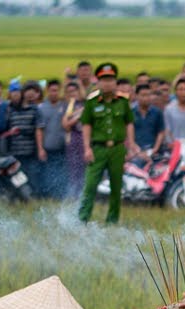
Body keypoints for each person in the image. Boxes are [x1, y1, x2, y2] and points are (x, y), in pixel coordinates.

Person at [78, 62, 135, 224]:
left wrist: (130, 144)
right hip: (98, 149)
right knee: (90, 185)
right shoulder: (92, 102)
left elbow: (129, 122)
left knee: (116, 187)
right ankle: (82, 219)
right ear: (98, 82)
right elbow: (86, 125)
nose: (108, 83)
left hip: (117, 149)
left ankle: (112, 221)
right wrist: (87, 148)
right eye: (104, 79)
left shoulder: (123, 102)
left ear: (115, 81)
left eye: (111, 79)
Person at [4, 83, 41, 184]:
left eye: (17, 93)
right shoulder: (9, 110)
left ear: (22, 94)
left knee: (31, 176)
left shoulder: (33, 108)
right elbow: (5, 128)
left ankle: (33, 197)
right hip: (14, 151)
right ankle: (21, 197)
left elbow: (37, 129)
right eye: (13, 93)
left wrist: (20, 130)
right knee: (17, 177)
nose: (16, 95)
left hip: (30, 151)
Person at [61, 81, 86, 200]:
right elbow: (65, 125)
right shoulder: (67, 106)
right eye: (69, 91)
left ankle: (86, 193)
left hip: (86, 139)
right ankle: (74, 195)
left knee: (86, 168)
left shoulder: (86, 103)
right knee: (74, 169)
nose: (72, 94)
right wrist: (77, 117)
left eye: (74, 91)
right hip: (74, 139)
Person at [163, 79, 185, 147]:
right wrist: (173, 143)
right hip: (175, 146)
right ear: (176, 92)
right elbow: (167, 129)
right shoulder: (169, 109)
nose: (183, 92)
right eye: (180, 89)